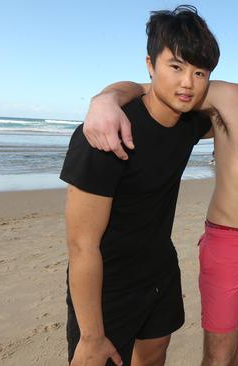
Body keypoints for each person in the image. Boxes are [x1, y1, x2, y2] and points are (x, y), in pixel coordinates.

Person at [82, 18, 238, 366]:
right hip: (228, 243)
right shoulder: (221, 95)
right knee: (219, 353)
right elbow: (158, 90)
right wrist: (105, 99)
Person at [61, 6, 219, 366]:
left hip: (161, 268)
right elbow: (81, 244)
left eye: (199, 72)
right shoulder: (105, 135)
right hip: (108, 283)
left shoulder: (189, 125)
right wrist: (91, 335)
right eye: (176, 67)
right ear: (150, 64)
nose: (187, 83)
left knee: (154, 354)